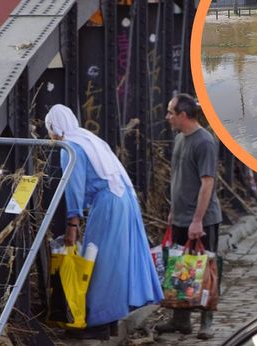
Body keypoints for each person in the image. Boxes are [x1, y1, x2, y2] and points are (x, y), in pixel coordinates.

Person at [44, 105, 162, 341]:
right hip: (125, 200)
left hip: (108, 203)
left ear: (54, 128)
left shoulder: (70, 146)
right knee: (114, 262)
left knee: (99, 263)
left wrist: (73, 226)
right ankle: (110, 322)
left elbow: (74, 188)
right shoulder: (89, 138)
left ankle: (97, 322)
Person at [155, 93, 222, 340]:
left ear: (183, 115)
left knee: (207, 270)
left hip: (202, 219)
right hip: (182, 216)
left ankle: (207, 321)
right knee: (180, 268)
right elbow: (180, 177)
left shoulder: (204, 142)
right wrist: (175, 208)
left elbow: (207, 184)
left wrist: (197, 220)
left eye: (171, 112)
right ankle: (181, 320)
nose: (168, 117)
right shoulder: (181, 138)